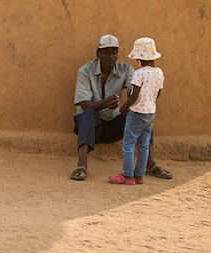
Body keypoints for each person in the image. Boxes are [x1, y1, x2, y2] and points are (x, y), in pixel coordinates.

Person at [70, 34, 171, 181]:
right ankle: (81, 165)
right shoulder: (85, 71)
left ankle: (149, 163)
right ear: (98, 53)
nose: (111, 56)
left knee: (142, 114)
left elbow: (134, 91)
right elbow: (83, 103)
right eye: (106, 52)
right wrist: (104, 104)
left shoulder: (126, 69)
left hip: (115, 124)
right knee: (88, 112)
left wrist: (147, 84)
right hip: (93, 127)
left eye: (114, 52)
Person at [110, 37, 164, 185]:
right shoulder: (159, 73)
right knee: (144, 145)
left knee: (128, 144)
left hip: (136, 113)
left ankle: (127, 176)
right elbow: (157, 93)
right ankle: (139, 176)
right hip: (150, 113)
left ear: (139, 58)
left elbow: (134, 95)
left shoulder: (139, 73)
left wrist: (125, 106)